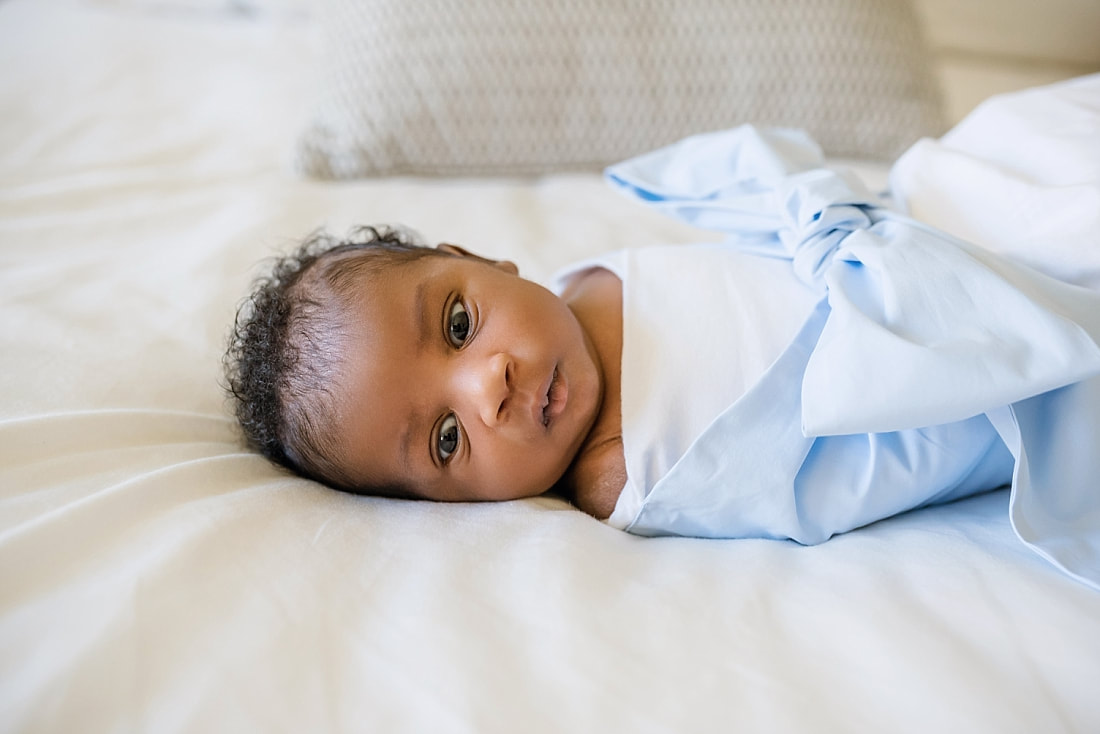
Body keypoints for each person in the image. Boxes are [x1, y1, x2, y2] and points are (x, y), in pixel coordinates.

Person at [226, 76, 1100, 589]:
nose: (485, 386)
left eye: (458, 323)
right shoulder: (628, 477)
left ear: (482, 260)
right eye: (447, 439)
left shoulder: (582, 286)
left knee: (1032, 142)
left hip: (922, 213)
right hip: (948, 350)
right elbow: (862, 468)